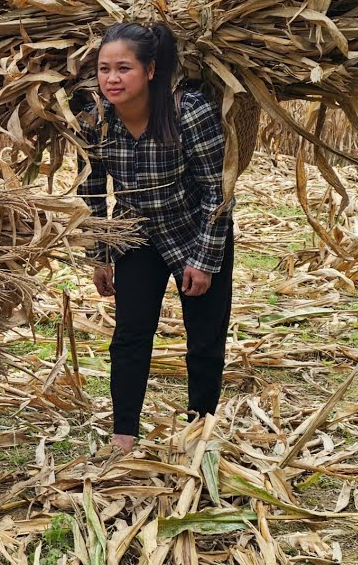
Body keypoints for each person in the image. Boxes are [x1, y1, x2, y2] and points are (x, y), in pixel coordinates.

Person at [77, 23, 234, 452]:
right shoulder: (95, 121)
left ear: (149, 70)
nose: (112, 78)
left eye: (123, 68)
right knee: (130, 334)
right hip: (137, 236)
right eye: (104, 68)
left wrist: (204, 260)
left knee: (204, 338)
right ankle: (124, 433)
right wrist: (101, 255)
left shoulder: (188, 112)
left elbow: (217, 192)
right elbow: (91, 191)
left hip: (195, 232)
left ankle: (199, 428)